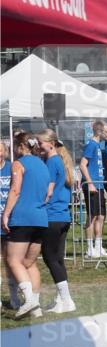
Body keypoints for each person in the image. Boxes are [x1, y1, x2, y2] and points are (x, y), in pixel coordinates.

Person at [2, 132, 49, 319]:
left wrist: (6, 214)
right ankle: (36, 307)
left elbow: (15, 189)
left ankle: (29, 299)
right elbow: (47, 192)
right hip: (41, 218)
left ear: (21, 147)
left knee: (13, 260)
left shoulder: (18, 163)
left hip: (23, 217)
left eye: (14, 146)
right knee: (30, 263)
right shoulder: (43, 165)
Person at [36, 130, 76, 314]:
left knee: (50, 258)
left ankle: (66, 300)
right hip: (62, 216)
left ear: (50, 143)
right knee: (57, 259)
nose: (38, 146)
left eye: (40, 143)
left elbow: (48, 190)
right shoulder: (59, 160)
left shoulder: (52, 162)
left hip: (52, 215)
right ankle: (62, 300)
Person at [80, 120, 107, 258]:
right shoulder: (91, 144)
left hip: (100, 185)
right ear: (99, 131)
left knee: (101, 216)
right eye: (106, 131)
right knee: (92, 215)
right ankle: (89, 248)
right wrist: (90, 183)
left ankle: (98, 245)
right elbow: (83, 164)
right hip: (93, 185)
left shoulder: (98, 145)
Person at [0, 140, 14, 308]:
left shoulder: (12, 167)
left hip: (9, 221)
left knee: (11, 261)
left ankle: (14, 298)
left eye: (1, 151)